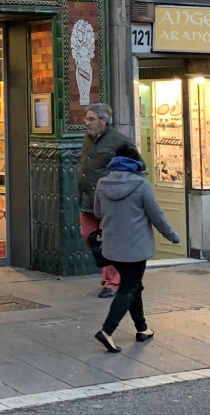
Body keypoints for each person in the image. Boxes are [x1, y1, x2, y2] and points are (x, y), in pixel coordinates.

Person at [93, 145, 180, 352]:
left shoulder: (102, 184)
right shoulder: (141, 185)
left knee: (134, 286)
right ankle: (107, 330)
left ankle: (142, 328)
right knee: (129, 288)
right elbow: (157, 216)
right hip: (135, 249)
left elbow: (98, 213)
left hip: (112, 247)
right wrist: (172, 236)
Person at [78, 103, 136, 298]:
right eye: (86, 119)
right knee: (88, 235)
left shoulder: (120, 142)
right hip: (88, 199)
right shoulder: (88, 139)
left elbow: (136, 168)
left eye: (91, 119)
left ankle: (112, 282)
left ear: (103, 121)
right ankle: (118, 270)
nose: (87, 123)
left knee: (108, 241)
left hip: (109, 201)